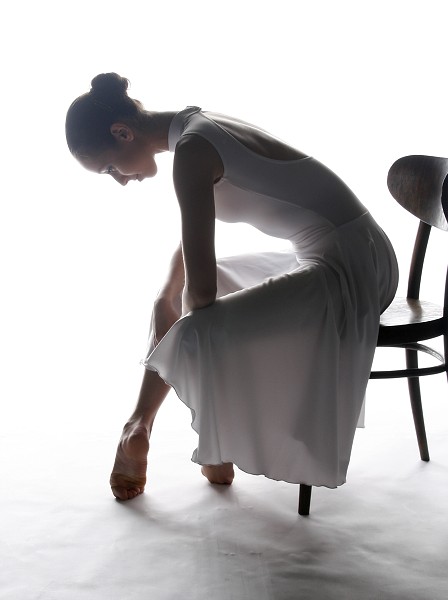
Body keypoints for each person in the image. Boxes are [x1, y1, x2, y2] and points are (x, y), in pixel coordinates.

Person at [65, 73, 399, 501]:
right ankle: (141, 426)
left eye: (110, 167)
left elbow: (202, 296)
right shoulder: (194, 126)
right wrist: (166, 296)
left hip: (354, 269)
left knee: (200, 322)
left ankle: (213, 440)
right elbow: (192, 248)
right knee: (179, 302)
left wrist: (184, 316)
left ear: (122, 133)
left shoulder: (192, 151)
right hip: (339, 253)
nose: (119, 179)